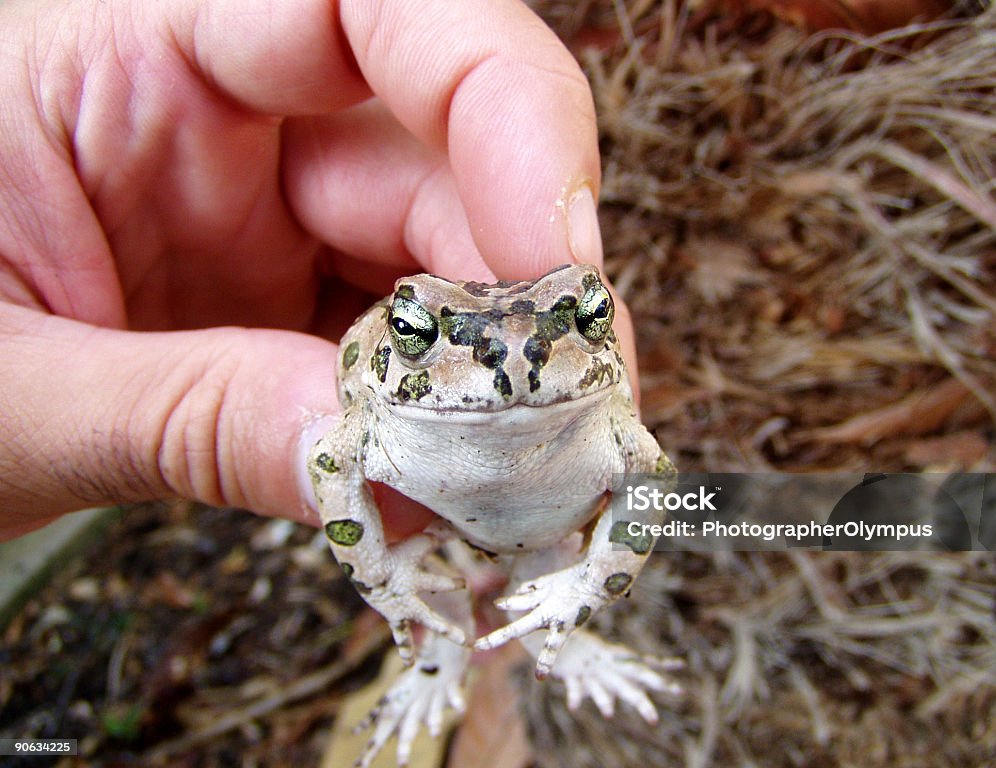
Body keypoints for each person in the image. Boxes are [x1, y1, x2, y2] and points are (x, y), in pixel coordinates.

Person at [0, 0, 637, 541]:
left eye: (589, 315)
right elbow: (330, 462)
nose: (515, 359)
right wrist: (388, 580)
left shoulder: (617, 431)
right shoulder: (360, 418)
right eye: (414, 332)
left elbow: (652, 496)